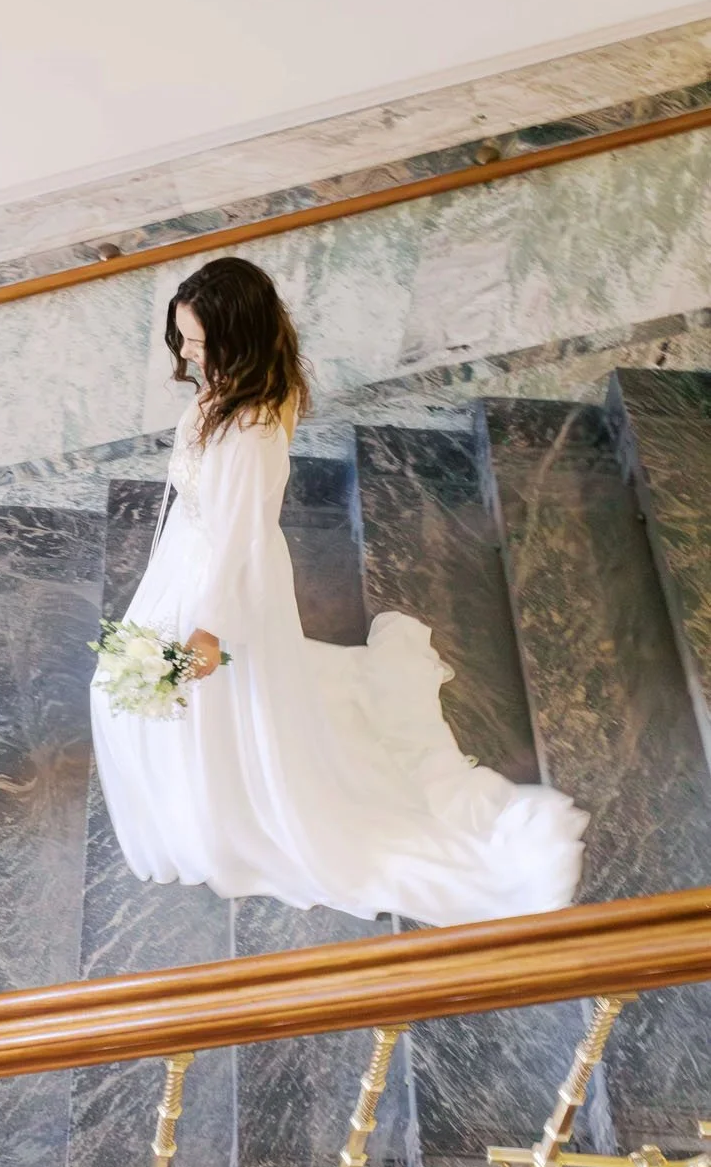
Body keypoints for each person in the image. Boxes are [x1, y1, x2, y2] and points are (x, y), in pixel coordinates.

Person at [90, 257, 587, 925]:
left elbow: (240, 537)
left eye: (200, 344)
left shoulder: (251, 428)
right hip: (195, 547)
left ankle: (223, 790)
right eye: (182, 338)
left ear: (237, 339)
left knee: (183, 694)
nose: (185, 355)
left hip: (219, 573)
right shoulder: (252, 382)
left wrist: (207, 628)